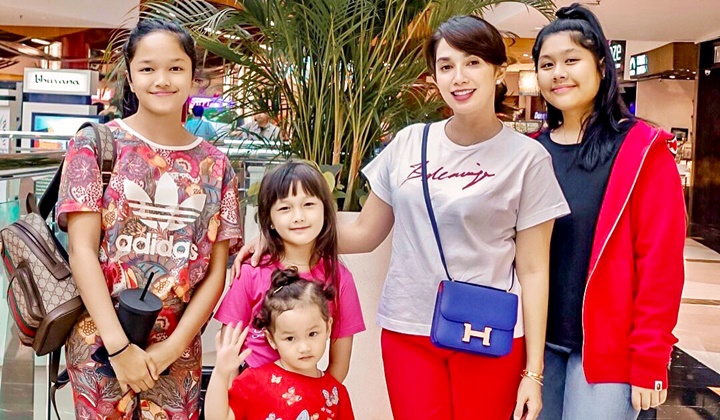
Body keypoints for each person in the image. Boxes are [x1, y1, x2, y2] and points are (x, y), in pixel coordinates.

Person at [235, 15, 570, 420]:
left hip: (486, 331)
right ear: (434, 76)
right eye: (446, 66)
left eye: (473, 62)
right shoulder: (410, 142)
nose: (459, 77)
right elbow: (364, 233)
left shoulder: (528, 159)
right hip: (408, 327)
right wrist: (282, 238)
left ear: (498, 69)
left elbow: (534, 270)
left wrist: (533, 372)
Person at [57, 19, 242, 418]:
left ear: (193, 76)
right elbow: (81, 251)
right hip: (100, 345)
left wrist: (170, 350)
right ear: (130, 76)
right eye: (147, 68)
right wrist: (119, 348)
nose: (162, 80)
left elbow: (216, 272)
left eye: (175, 67)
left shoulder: (216, 165)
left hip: (178, 351)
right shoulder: (95, 145)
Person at [531, 4, 686, 420]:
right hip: (536, 346)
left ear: (601, 66)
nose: (558, 73)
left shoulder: (643, 151)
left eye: (571, 60)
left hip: (608, 352)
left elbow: (660, 262)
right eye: (547, 64)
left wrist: (651, 357)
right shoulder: (531, 152)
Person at [215, 160, 366, 382]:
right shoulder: (250, 273)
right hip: (250, 395)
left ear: (326, 211)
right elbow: (228, 351)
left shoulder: (340, 278)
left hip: (307, 398)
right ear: (270, 220)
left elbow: (339, 364)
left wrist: (316, 397)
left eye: (309, 204)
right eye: (285, 208)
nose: (298, 217)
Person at [206, 269, 356, 420]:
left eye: (312, 334)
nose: (304, 348)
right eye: (290, 338)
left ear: (328, 327)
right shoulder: (254, 381)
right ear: (271, 339)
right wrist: (221, 373)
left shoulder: (336, 394)